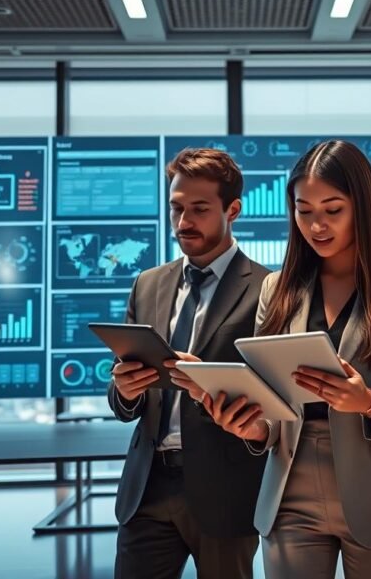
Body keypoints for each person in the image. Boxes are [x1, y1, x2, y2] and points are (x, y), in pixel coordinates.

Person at [205, 140, 371, 579]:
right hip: (290, 494)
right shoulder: (277, 290)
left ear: (362, 207)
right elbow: (270, 410)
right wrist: (251, 426)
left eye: (332, 210)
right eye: (304, 211)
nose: (317, 225)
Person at [107, 148, 269, 579]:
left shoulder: (269, 289)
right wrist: (124, 392)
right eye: (176, 208)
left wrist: (209, 386)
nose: (183, 223)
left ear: (232, 209)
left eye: (199, 209)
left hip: (225, 492)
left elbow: (275, 400)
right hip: (147, 488)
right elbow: (124, 396)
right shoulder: (148, 284)